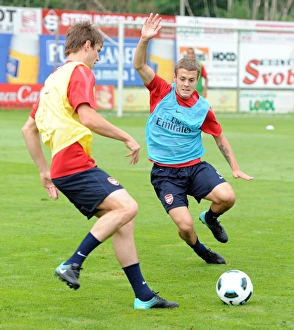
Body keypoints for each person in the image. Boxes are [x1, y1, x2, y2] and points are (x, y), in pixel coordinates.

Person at [21, 21, 178, 310]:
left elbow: (28, 129)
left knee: (124, 221)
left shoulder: (53, 79)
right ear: (87, 46)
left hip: (61, 165)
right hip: (73, 161)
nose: (98, 57)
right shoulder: (81, 72)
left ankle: (143, 296)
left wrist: (44, 171)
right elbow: (88, 118)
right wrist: (127, 138)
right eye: (99, 51)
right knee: (128, 207)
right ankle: (72, 263)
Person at [133, 13, 253, 265]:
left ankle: (210, 219)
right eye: (182, 79)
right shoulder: (160, 91)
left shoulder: (202, 108)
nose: (186, 84)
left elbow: (219, 136)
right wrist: (144, 40)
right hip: (165, 174)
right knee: (185, 227)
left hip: (194, 168)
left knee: (228, 197)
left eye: (191, 80)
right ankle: (201, 250)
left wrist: (235, 167)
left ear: (196, 80)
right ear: (174, 77)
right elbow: (140, 66)